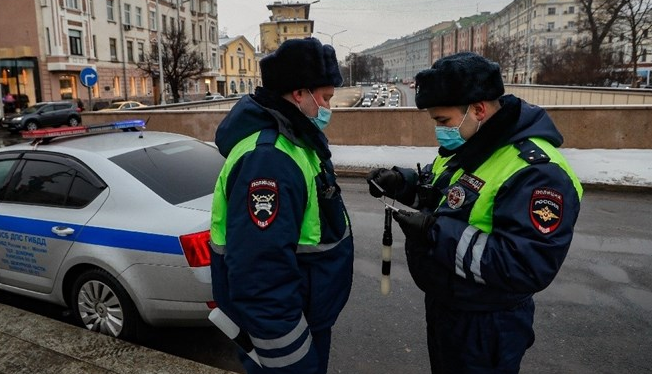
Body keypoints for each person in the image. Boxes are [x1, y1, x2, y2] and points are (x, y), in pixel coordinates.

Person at [366, 52, 583, 373]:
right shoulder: (473, 143)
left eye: (443, 121)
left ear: (478, 110)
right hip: (449, 307)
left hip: (487, 323)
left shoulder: (537, 172)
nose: (439, 131)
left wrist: (433, 233)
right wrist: (401, 183)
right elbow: (445, 192)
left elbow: (526, 265)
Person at [210, 37, 354, 374]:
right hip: (288, 336)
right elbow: (260, 276)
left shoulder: (295, 142)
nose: (329, 108)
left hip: (304, 316)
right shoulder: (269, 159)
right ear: (299, 93)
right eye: (325, 98)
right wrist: (293, 361)